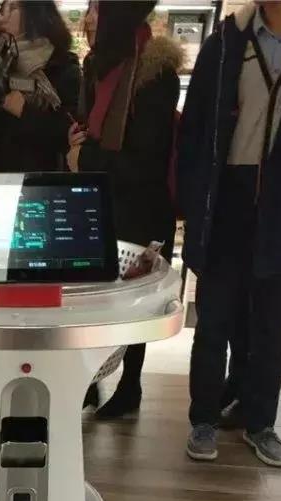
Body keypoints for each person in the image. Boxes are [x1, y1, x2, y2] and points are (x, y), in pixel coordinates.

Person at [179, 0, 281, 467]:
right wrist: (194, 200)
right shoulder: (226, 39)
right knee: (213, 322)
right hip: (226, 201)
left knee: (271, 329)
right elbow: (193, 129)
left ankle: (260, 423)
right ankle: (203, 419)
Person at [68, 0, 181, 419]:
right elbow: (94, 127)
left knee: (136, 302)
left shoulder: (156, 75)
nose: (89, 18)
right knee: (93, 298)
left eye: (97, 8)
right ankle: (89, 382)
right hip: (103, 204)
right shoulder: (97, 65)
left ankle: (130, 384)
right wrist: (78, 139)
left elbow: (144, 164)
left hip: (142, 209)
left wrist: (86, 157)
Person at [0, 0, 81, 172]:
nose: (1, 18)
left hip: (46, 180)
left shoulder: (62, 66)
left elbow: (70, 133)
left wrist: (25, 112)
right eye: (1, 11)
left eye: (12, 8)